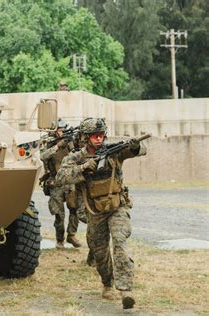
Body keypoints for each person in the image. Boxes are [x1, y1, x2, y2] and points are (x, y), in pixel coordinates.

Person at [56, 118, 146, 310]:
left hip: (117, 207)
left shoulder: (114, 152)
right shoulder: (76, 157)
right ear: (86, 138)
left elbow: (139, 150)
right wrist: (83, 168)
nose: (99, 139)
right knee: (100, 251)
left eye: (101, 135)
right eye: (95, 136)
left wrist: (136, 146)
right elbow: (60, 177)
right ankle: (107, 284)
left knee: (120, 243)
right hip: (95, 211)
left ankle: (125, 290)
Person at [40, 118, 81, 250]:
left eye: (63, 129)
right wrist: (57, 146)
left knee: (75, 209)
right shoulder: (48, 143)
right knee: (59, 214)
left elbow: (79, 152)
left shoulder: (71, 142)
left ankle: (72, 235)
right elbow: (43, 156)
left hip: (69, 181)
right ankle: (59, 240)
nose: (61, 131)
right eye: (59, 129)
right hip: (55, 182)